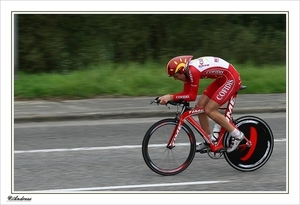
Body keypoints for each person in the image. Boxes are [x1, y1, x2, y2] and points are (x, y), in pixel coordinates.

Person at [158, 55, 244, 152]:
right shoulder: (187, 72)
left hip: (231, 78)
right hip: (222, 79)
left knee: (209, 110)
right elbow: (186, 94)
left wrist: (171, 97)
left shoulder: (193, 71)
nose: (176, 79)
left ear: (182, 70)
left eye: (176, 76)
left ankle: (237, 135)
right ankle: (209, 140)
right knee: (200, 107)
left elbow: (191, 96)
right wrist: (171, 97)